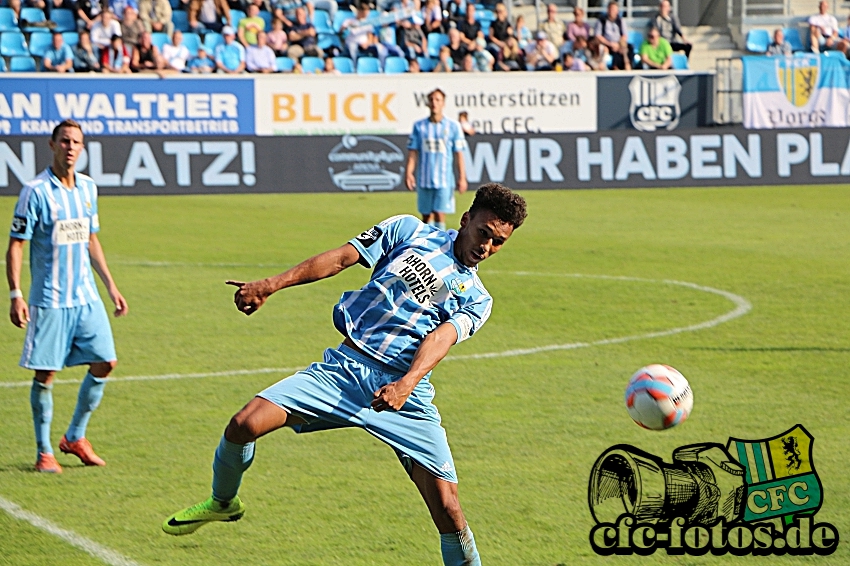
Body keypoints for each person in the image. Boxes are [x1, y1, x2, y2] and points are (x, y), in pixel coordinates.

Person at [162, 183, 527, 566]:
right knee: (243, 424)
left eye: (499, 242)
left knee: (449, 509)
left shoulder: (477, 299)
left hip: (406, 395)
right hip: (343, 371)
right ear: (466, 220)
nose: (486, 247)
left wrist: (407, 383)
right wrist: (271, 285)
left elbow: (441, 338)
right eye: (484, 233)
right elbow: (340, 258)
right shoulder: (408, 230)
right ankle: (223, 502)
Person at [7, 120, 129, 474]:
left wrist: (110, 285)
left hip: (86, 298)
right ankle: (44, 452)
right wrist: (16, 293)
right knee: (46, 374)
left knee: (106, 362)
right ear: (52, 144)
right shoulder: (35, 191)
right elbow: (16, 245)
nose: (70, 147)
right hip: (50, 300)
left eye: (76, 142)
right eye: (64, 141)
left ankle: (75, 437)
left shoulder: (88, 189)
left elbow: (91, 239)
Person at [405, 88, 467, 230]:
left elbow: (459, 154)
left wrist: (462, 177)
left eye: (437, 100)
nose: (434, 103)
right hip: (424, 178)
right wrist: (409, 173)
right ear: (427, 103)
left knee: (440, 213)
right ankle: (427, 243)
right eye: (432, 99)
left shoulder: (453, 127)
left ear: (443, 103)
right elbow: (413, 152)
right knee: (426, 216)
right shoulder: (419, 126)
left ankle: (440, 244)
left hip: (444, 180)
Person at [595, 0, 631, 70]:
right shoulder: (602, 21)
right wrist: (610, 44)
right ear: (608, 10)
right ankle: (607, 67)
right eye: (611, 9)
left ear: (617, 11)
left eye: (614, 9)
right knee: (604, 48)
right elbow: (598, 36)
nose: (612, 11)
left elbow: (625, 35)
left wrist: (619, 44)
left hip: (618, 43)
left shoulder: (620, 21)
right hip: (606, 43)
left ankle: (627, 66)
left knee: (628, 47)